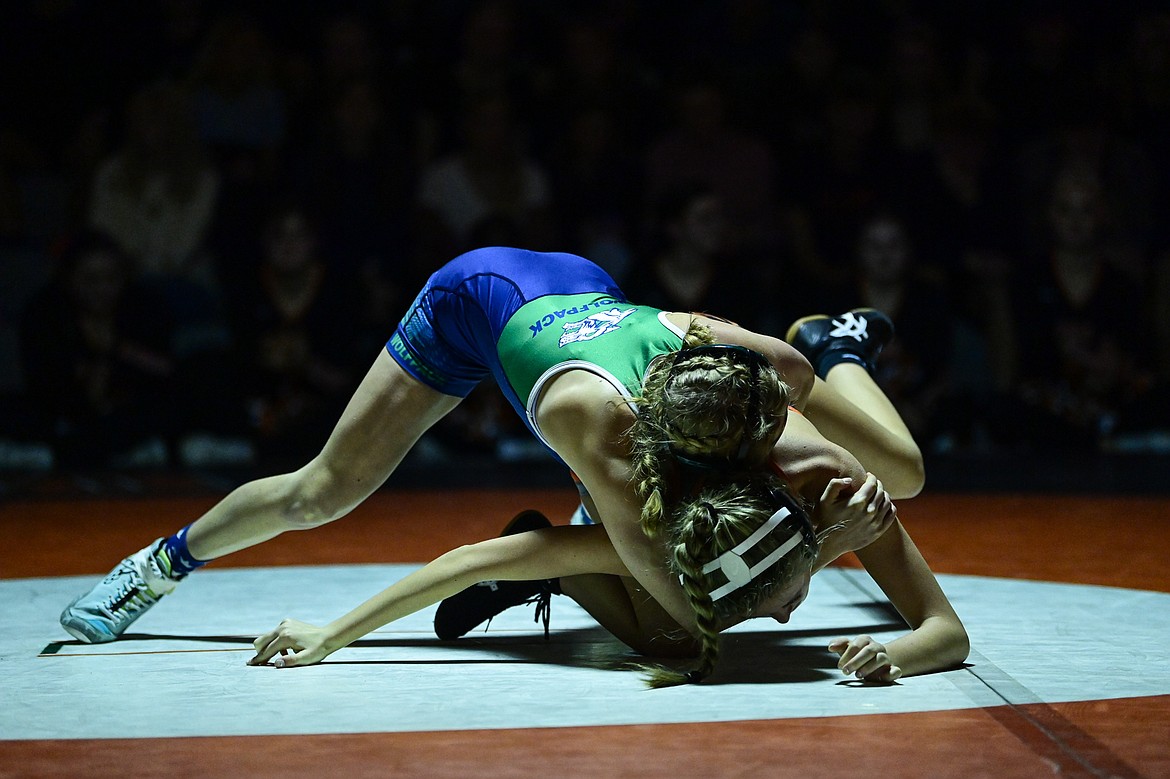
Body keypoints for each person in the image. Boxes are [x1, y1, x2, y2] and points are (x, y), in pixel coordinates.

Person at [59, 247, 944, 680]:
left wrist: (831, 504)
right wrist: (823, 540)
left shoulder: (752, 371)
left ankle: (839, 343)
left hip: (593, 293)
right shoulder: (594, 428)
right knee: (321, 492)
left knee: (899, 473)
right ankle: (160, 562)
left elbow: (807, 450)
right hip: (475, 303)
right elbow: (694, 614)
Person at [246, 311, 967, 686]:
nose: (784, 616)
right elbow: (472, 557)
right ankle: (560, 565)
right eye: (784, 603)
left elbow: (944, 629)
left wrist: (894, 651)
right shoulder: (655, 512)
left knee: (903, 471)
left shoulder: (839, 490)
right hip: (669, 468)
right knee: (675, 642)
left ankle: (839, 345)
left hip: (746, 407)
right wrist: (330, 636)